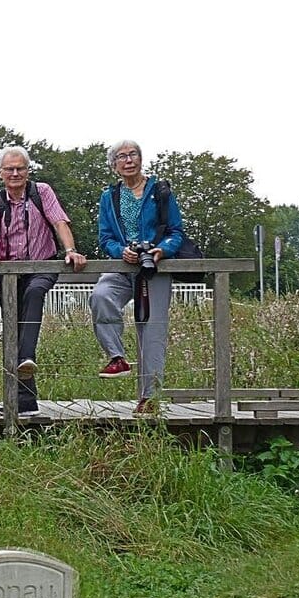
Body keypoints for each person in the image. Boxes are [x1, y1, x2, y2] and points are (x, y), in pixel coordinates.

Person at [0, 145, 88, 416]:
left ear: (28, 170)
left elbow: (59, 221)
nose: (15, 173)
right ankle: (24, 401)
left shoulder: (42, 192)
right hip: (10, 272)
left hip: (42, 263)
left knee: (35, 292)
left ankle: (27, 358)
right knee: (12, 330)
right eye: (9, 169)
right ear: (0, 172)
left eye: (20, 168)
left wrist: (71, 250)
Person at [91, 140, 183, 416]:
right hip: (124, 264)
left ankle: (150, 398)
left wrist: (162, 250)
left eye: (133, 155)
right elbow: (105, 237)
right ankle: (116, 356)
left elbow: (176, 231)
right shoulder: (109, 197)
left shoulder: (160, 191)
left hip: (155, 266)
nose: (128, 160)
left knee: (152, 330)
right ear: (114, 165)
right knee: (101, 295)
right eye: (122, 156)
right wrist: (121, 251)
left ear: (141, 159)